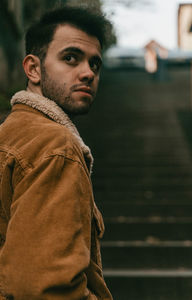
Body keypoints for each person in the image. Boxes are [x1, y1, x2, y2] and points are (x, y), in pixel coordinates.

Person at [0, 6, 113, 300]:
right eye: (71, 58)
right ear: (33, 69)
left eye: (95, 64)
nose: (88, 73)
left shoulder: (10, 136)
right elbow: (44, 289)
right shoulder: (55, 146)